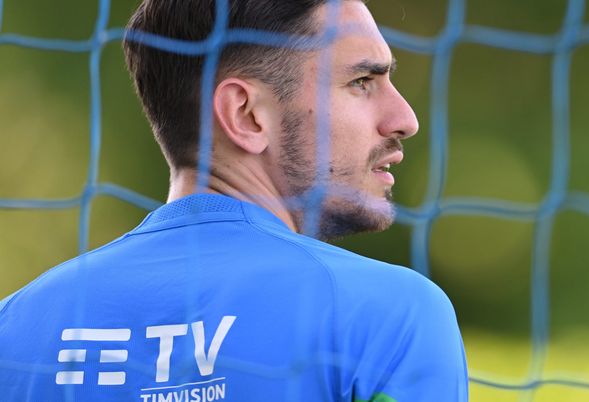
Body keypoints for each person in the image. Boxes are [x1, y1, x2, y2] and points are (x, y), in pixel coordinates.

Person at [0, 0, 469, 400]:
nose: (404, 118)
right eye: (362, 82)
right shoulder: (390, 312)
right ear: (246, 114)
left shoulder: (15, 326)